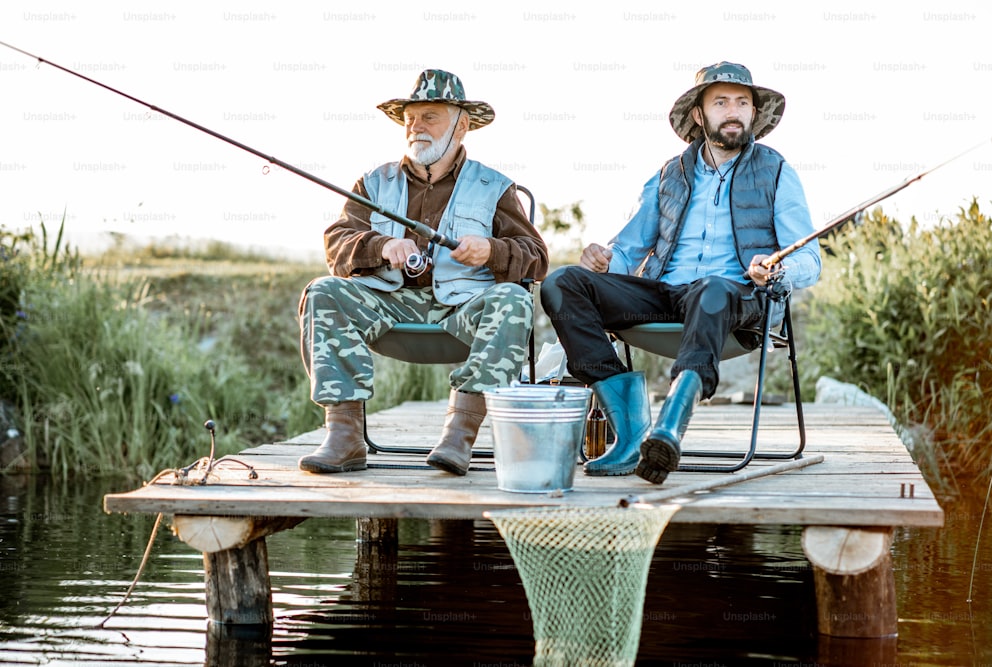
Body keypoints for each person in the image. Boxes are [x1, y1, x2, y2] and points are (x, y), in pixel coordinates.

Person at [540, 61, 821, 484]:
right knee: (561, 284)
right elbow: (629, 248)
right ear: (698, 115)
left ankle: (671, 426)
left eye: (743, 103)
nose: (734, 111)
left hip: (738, 299)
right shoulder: (669, 174)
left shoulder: (777, 171)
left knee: (712, 289)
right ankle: (632, 427)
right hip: (663, 293)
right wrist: (604, 259)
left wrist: (776, 271)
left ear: (753, 114)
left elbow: (810, 260)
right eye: (721, 102)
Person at [298, 69, 548, 476]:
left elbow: (535, 257)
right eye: (410, 118)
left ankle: (458, 437)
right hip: (388, 305)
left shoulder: (494, 186)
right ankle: (344, 437)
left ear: (461, 126)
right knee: (323, 291)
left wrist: (492, 251)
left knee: (514, 298)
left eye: (429, 116)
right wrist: (381, 246)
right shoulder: (374, 183)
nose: (416, 126)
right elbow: (337, 242)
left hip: (462, 310)